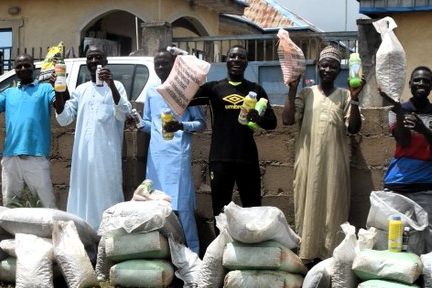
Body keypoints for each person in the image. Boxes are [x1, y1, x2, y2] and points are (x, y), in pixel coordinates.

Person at [282, 44, 363, 262]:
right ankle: (308, 258)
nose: (328, 70)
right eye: (324, 65)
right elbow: (288, 119)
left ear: (339, 71)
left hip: (335, 166)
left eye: (333, 67)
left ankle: (331, 259)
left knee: (333, 210)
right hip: (307, 164)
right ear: (318, 66)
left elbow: (354, 128)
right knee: (307, 208)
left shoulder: (345, 96)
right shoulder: (306, 94)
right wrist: (291, 89)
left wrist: (355, 98)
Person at [192, 46, 277, 219]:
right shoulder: (214, 88)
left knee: (253, 209)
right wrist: (191, 72)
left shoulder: (256, 90)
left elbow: (272, 123)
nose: (236, 60)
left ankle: (253, 245)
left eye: (241, 57)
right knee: (220, 211)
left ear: (247, 62)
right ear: (226, 60)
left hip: (247, 159)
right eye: (232, 56)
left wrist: (257, 118)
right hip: (220, 159)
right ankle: (222, 246)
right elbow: (186, 99)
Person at [57, 45, 135, 230]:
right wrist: (58, 90)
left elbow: (124, 112)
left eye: (98, 58)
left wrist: (111, 84)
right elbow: (64, 118)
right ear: (86, 63)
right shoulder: (80, 90)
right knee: (81, 195)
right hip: (82, 158)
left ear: (105, 62)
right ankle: (84, 236)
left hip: (106, 156)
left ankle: (106, 237)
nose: (94, 61)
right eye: (90, 58)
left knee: (106, 194)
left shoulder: (117, 87)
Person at [0, 53, 69, 207]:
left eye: (27, 65)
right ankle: (12, 231)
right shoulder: (9, 93)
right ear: (15, 70)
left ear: (33, 68)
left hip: (37, 157)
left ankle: (51, 231)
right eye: (19, 66)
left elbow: (61, 108)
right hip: (11, 158)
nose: (23, 68)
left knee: (47, 204)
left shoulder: (45, 89)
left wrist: (59, 87)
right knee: (10, 204)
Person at [140, 49, 206, 253]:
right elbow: (151, 124)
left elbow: (201, 123)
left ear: (174, 65)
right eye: (157, 64)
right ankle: (164, 253)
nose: (161, 68)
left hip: (178, 155)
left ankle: (193, 253)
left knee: (182, 207)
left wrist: (182, 126)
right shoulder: (152, 91)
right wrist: (138, 123)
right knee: (156, 206)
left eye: (165, 63)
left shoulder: (184, 90)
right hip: (156, 157)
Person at [383, 66, 432, 251]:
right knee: (395, 235)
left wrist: (424, 130)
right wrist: (397, 108)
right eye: (417, 80)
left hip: (424, 186)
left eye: (426, 81)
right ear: (410, 84)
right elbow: (403, 140)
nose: (421, 84)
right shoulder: (398, 110)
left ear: (431, 86)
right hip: (397, 184)